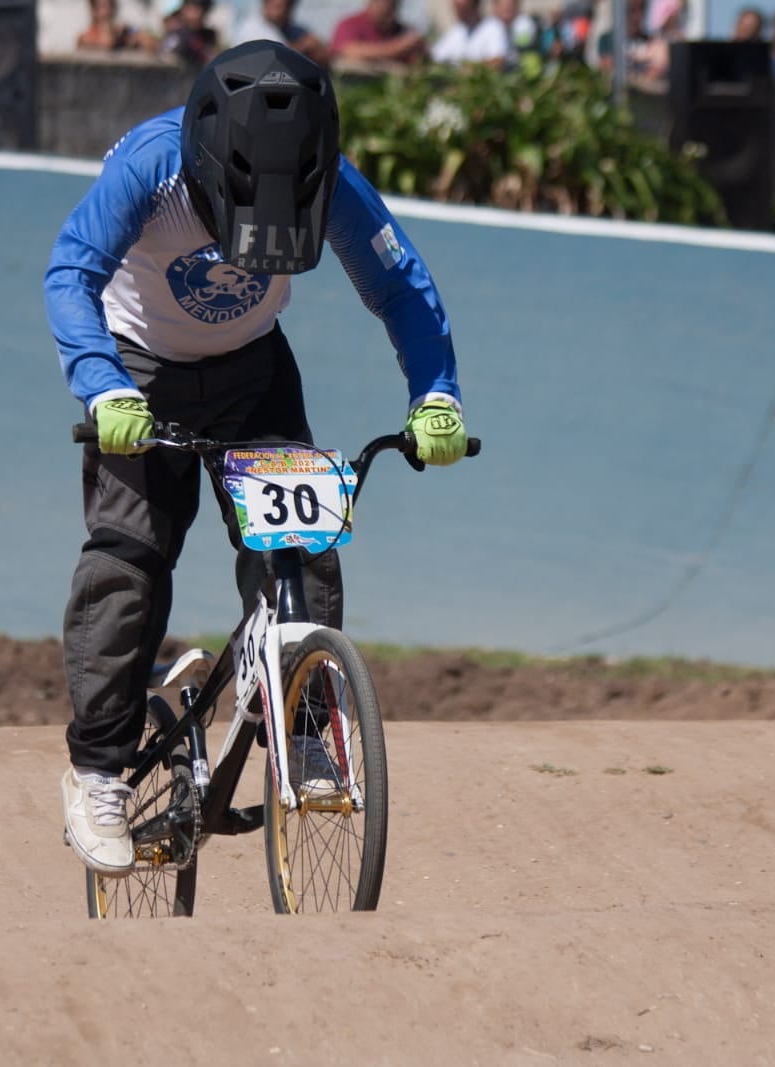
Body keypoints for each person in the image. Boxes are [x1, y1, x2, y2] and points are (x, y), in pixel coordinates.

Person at [44, 41, 473, 875]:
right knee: (128, 561)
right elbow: (71, 272)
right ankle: (97, 769)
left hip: (253, 371)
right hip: (140, 375)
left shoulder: (331, 179)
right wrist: (102, 388)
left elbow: (400, 286)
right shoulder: (150, 168)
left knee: (305, 547)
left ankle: (308, 728)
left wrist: (437, 392)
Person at [330, 0, 426, 68]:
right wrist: (398, 47)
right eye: (385, 12)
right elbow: (349, 50)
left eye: (393, 8)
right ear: (370, 5)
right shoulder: (349, 24)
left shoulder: (402, 30)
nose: (390, 18)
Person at [234, 0, 328, 66]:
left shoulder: (294, 29)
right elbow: (279, 56)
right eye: (278, 7)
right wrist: (304, 46)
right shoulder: (252, 27)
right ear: (265, 4)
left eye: (288, 6)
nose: (282, 12)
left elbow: (323, 52)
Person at [430, 0, 508, 67]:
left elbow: (498, 60)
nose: (456, 10)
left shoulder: (493, 27)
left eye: (460, 7)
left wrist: (471, 70)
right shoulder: (456, 31)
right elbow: (436, 56)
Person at [77, 0, 155, 51]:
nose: (107, 12)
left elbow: (149, 44)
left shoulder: (121, 31)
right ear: (94, 10)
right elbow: (107, 44)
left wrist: (131, 32)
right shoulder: (85, 37)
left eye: (110, 7)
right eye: (102, 7)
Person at [159, 0, 217, 65]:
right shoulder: (178, 35)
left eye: (197, 10)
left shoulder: (207, 35)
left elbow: (210, 56)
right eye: (189, 9)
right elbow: (166, 56)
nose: (193, 15)